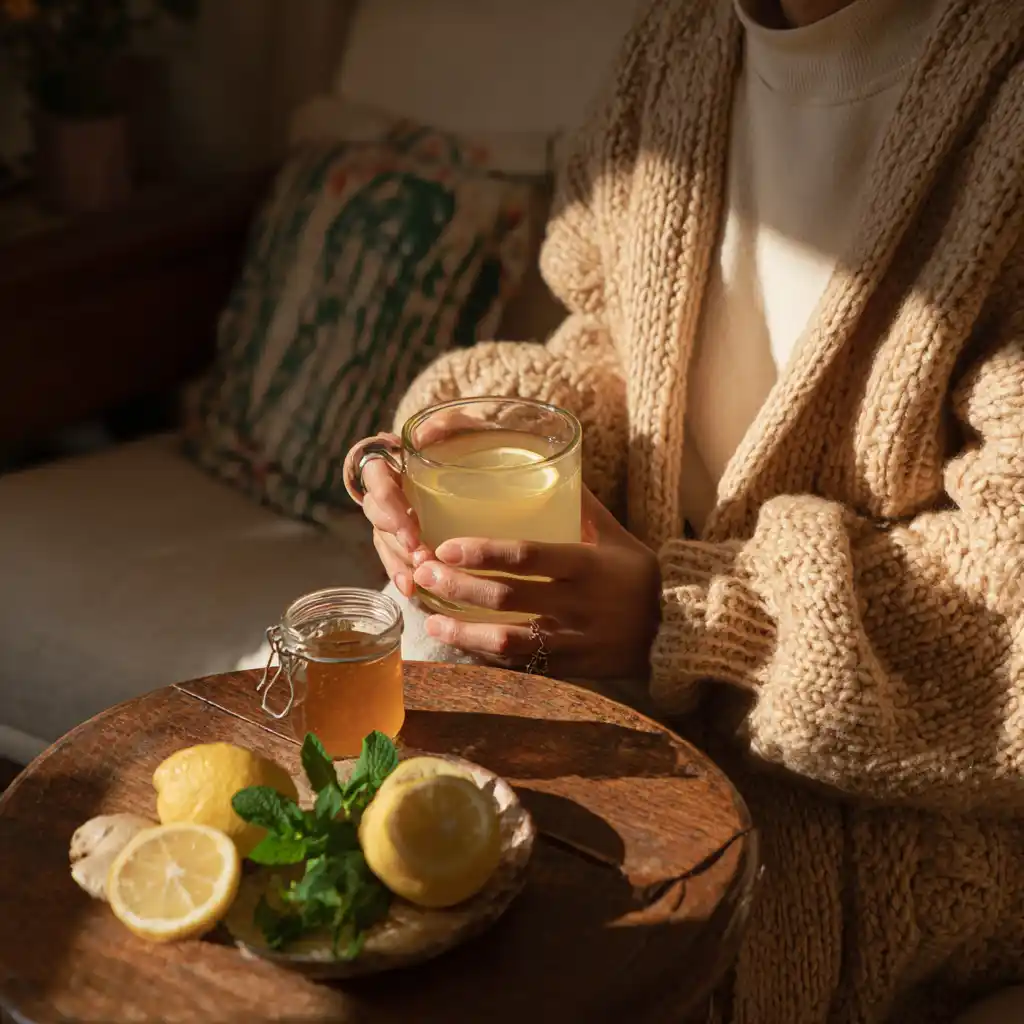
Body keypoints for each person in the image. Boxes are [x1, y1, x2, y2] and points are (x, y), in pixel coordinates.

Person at [343, 0, 1024, 1019]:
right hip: (633, 737)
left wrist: (692, 616)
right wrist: (493, 437)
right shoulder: (677, 44)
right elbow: (609, 339)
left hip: (879, 854)